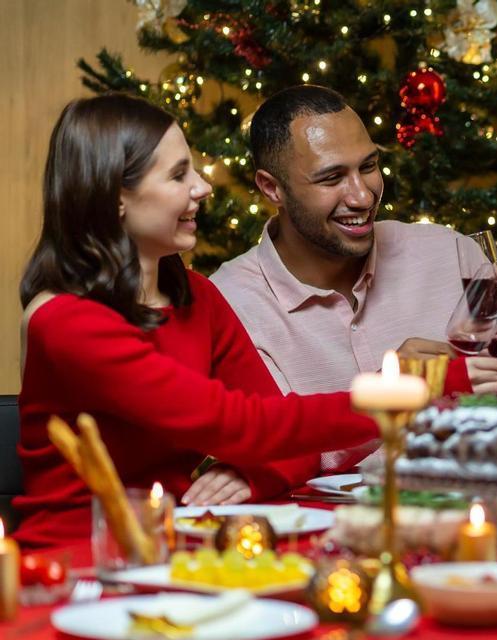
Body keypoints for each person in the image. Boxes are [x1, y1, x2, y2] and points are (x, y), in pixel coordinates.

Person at [15, 94, 379, 548]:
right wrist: (397, 398)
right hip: (76, 562)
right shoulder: (64, 320)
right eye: (178, 174)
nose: (203, 186)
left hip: (175, 547)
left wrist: (252, 474)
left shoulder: (197, 296)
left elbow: (286, 437)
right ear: (115, 198)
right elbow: (236, 423)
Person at [211, 85, 497, 473]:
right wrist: (391, 389)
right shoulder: (232, 302)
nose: (363, 197)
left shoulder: (447, 252)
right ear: (272, 188)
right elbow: (281, 452)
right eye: (332, 177)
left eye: (368, 166)